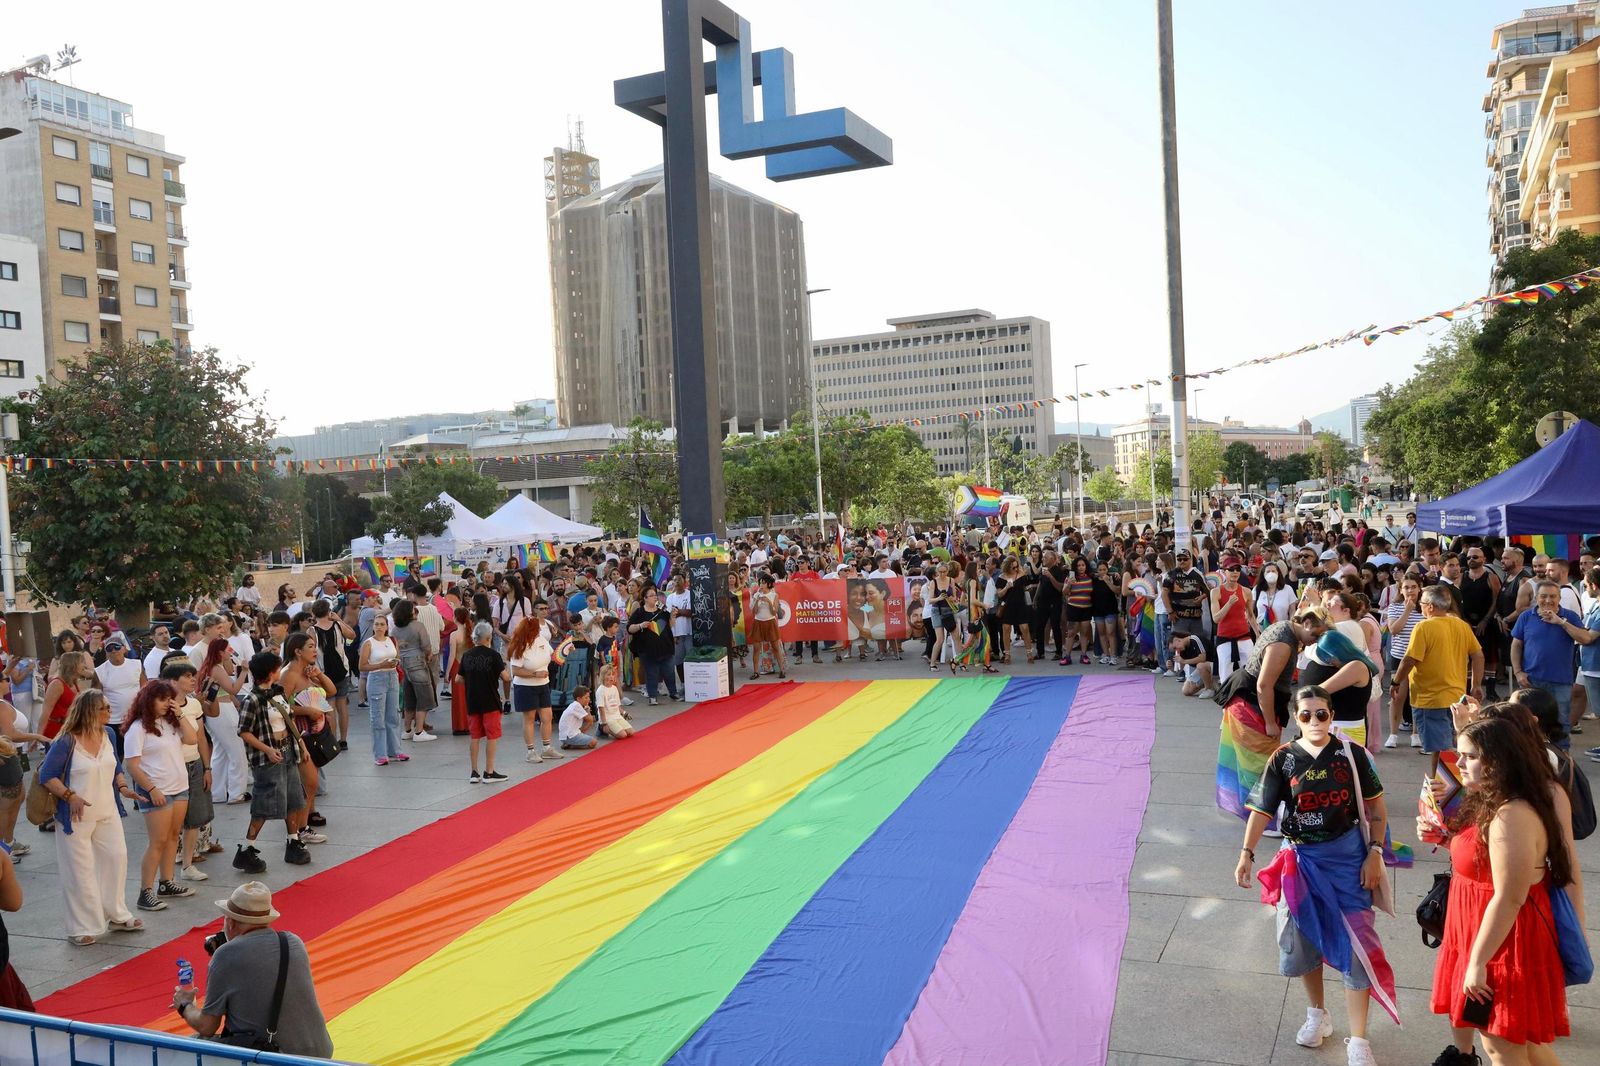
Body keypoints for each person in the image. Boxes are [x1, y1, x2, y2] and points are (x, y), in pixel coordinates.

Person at [1236, 686, 1396, 1066]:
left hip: (1349, 862)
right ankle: (1317, 1014)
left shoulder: (1352, 756)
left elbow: (1377, 810)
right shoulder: (1283, 759)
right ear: (1296, 717)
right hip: (1301, 863)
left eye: (1321, 714)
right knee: (1304, 939)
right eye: (1305, 714)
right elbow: (1261, 810)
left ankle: (1359, 1039)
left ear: (1332, 715)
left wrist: (1375, 854)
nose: (1314, 721)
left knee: (1359, 945)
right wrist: (1246, 854)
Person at [1419, 713, 1579, 1066]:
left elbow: (1509, 897)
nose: (1459, 763)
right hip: (1481, 935)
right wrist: (1445, 840)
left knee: (1502, 1048)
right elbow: (1486, 862)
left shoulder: (1512, 815)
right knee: (1523, 1046)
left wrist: (1477, 963)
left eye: (1469, 756)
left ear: (1497, 761)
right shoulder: (1490, 800)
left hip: (1503, 945)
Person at [171, 881, 334, 1057]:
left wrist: (184, 1005)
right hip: (320, 1053)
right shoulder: (293, 942)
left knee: (190, 1045)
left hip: (277, 1057)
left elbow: (207, 1026)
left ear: (230, 922)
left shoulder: (225, 956)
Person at [38, 689, 145, 944]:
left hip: (107, 811)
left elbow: (115, 766)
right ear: (88, 711)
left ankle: (117, 914)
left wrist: (123, 787)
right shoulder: (66, 741)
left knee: (116, 859)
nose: (109, 711)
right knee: (80, 871)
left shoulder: (108, 734)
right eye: (103, 708)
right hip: (75, 818)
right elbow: (46, 775)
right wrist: (69, 796)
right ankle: (82, 927)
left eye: (108, 707)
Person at [1215, 609, 1332, 823]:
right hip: (1252, 707)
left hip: (1251, 702)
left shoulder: (1286, 629)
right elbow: (1264, 685)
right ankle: (1262, 819)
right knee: (1260, 766)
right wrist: (1269, 722)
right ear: (1306, 622)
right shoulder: (1284, 643)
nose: (1316, 640)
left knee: (1258, 764)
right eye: (1316, 635)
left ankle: (1259, 815)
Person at [123, 680, 199, 912]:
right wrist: (152, 789)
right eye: (162, 699)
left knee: (173, 836)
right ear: (149, 700)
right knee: (157, 841)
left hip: (179, 787)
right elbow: (132, 765)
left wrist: (180, 714)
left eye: (170, 699)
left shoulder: (170, 723)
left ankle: (167, 882)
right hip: (157, 790)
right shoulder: (138, 728)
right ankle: (145, 891)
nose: (167, 703)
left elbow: (192, 739)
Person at [235, 652, 312, 873]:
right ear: (270, 672)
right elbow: (244, 731)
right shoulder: (252, 700)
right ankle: (247, 849)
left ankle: (293, 841)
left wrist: (302, 746)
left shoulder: (278, 693)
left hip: (288, 752)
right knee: (264, 804)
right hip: (268, 758)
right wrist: (267, 749)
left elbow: (289, 721)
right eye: (278, 668)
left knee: (294, 799)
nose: (280, 671)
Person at [1394, 586, 1485, 774]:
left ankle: (1443, 787)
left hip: (1430, 699)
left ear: (1430, 606)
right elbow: (1478, 655)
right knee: (1454, 746)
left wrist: (1396, 681)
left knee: (1441, 750)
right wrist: (1476, 684)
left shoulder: (1424, 627)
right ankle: (1454, 784)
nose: (1420, 607)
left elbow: (1409, 660)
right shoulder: (1461, 625)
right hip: (1456, 698)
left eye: (1421, 604)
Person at [1509, 581, 1581, 748]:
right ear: (1536, 597)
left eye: (1553, 596)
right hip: (1531, 681)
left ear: (1559, 598)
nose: (1548, 600)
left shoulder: (1570, 616)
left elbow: (1584, 639)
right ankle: (1532, 755)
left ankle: (1561, 758)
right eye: (1543, 596)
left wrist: (1561, 622)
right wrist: (1518, 672)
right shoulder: (1526, 616)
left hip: (1561, 681)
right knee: (1527, 721)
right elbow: (1516, 645)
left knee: (1561, 723)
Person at [456, 622, 509, 784]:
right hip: (490, 700)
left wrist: (472, 681)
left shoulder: (467, 655)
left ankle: (474, 772)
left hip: (473, 700)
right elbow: (506, 677)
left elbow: (458, 679)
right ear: (488, 637)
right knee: (492, 736)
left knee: (475, 736)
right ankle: (489, 772)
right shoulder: (493, 655)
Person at [507, 613, 558, 762]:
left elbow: (552, 655)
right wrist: (535, 674)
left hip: (543, 684)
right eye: (536, 629)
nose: (539, 631)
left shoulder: (541, 639)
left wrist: (565, 650)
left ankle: (546, 748)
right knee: (529, 718)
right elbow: (516, 671)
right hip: (525, 687)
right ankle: (530, 751)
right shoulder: (519, 646)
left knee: (547, 716)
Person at [1383, 574, 1425, 750]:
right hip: (1400, 656)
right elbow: (1394, 629)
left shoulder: (1426, 607)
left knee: (1417, 696)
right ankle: (1393, 734)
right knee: (1398, 696)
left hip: (1421, 658)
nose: (1410, 590)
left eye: (1413, 587)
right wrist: (1407, 610)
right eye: (1406, 587)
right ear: (1401, 589)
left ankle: (1416, 734)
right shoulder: (1395, 607)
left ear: (1420, 588)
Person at [358, 615, 406, 766]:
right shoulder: (368, 643)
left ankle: (395, 750)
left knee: (393, 715)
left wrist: (395, 663)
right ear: (373, 626)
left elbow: (397, 656)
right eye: (376, 624)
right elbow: (362, 666)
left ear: (386, 626)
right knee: (378, 717)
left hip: (392, 676)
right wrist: (380, 665)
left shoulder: (392, 640)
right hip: (377, 678)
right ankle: (380, 754)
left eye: (382, 624)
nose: (379, 627)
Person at [390, 599, 438, 742]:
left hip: (403, 664)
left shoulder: (395, 629)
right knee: (424, 697)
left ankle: (407, 730)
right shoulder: (418, 626)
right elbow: (426, 645)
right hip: (417, 662)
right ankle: (419, 731)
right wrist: (429, 655)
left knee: (409, 698)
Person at [310, 600, 354, 751]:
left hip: (323, 674)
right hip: (342, 671)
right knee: (343, 707)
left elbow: (311, 651)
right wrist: (339, 619)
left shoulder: (312, 631)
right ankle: (344, 740)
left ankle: (333, 740)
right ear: (329, 611)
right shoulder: (337, 625)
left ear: (313, 613)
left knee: (330, 709)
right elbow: (352, 635)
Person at [630, 585, 682, 701]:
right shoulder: (640, 612)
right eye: (652, 595)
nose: (655, 597)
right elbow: (630, 628)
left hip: (666, 648)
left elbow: (670, 625)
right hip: (648, 650)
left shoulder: (662, 610)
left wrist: (673, 616)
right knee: (651, 674)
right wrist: (640, 625)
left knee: (669, 672)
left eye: (655, 595)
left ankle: (673, 693)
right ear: (645, 598)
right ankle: (652, 696)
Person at [1212, 560, 1259, 684]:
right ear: (1224, 571)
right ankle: (1227, 695)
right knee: (1225, 674)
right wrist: (1228, 604)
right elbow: (1216, 618)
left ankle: (1249, 695)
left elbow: (1250, 615)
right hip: (1225, 637)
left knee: (1250, 672)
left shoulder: (1246, 591)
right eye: (1231, 569)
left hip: (1244, 636)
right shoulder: (1216, 592)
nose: (1235, 572)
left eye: (1238, 569)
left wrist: (1257, 633)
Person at [94, 635, 145, 727]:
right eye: (109, 648)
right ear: (106, 652)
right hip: (111, 721)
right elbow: (96, 698)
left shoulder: (137, 664)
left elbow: (145, 689)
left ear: (124, 649)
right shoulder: (99, 671)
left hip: (136, 717)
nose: (113, 650)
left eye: (117, 647)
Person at [1169, 631, 1216, 699]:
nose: (1176, 650)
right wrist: (1171, 668)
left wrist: (1184, 661)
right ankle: (1207, 681)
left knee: (1200, 665)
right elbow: (1179, 671)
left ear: (1177, 640)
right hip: (1202, 670)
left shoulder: (1195, 639)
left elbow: (1202, 658)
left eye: (1175, 647)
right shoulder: (1182, 650)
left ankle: (1209, 689)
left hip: (1215, 665)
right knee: (1186, 691)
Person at [595, 664, 632, 739]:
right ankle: (602, 728)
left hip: (616, 715)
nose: (611, 676)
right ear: (603, 676)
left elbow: (617, 706)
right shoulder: (600, 690)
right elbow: (601, 709)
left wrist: (625, 713)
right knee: (623, 735)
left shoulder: (614, 688)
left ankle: (615, 727)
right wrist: (604, 723)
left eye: (612, 674)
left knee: (630, 732)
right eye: (609, 675)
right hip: (607, 718)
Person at [558, 685, 598, 750]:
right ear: (578, 699)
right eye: (586, 698)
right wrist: (588, 709)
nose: (588, 699)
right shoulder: (577, 706)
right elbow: (590, 720)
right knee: (593, 742)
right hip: (569, 736)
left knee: (588, 724)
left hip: (565, 736)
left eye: (589, 697)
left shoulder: (574, 705)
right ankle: (571, 745)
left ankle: (571, 742)